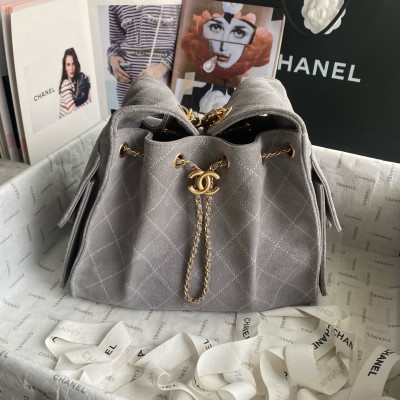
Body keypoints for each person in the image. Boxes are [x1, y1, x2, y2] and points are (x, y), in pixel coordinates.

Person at [180, 2, 273, 112]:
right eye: (216, 28)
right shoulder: (189, 94)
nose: (223, 47)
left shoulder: (249, 102)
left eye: (239, 33)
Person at [107, 4, 180, 107]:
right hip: (126, 85)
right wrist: (113, 59)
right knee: (129, 117)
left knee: (166, 116)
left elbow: (188, 42)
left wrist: (163, 67)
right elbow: (115, 42)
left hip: (165, 82)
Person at [59, 48, 91, 118]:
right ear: (65, 67)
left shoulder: (76, 80)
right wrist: (89, 100)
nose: (71, 68)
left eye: (73, 64)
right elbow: (74, 112)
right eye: (68, 64)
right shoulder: (65, 84)